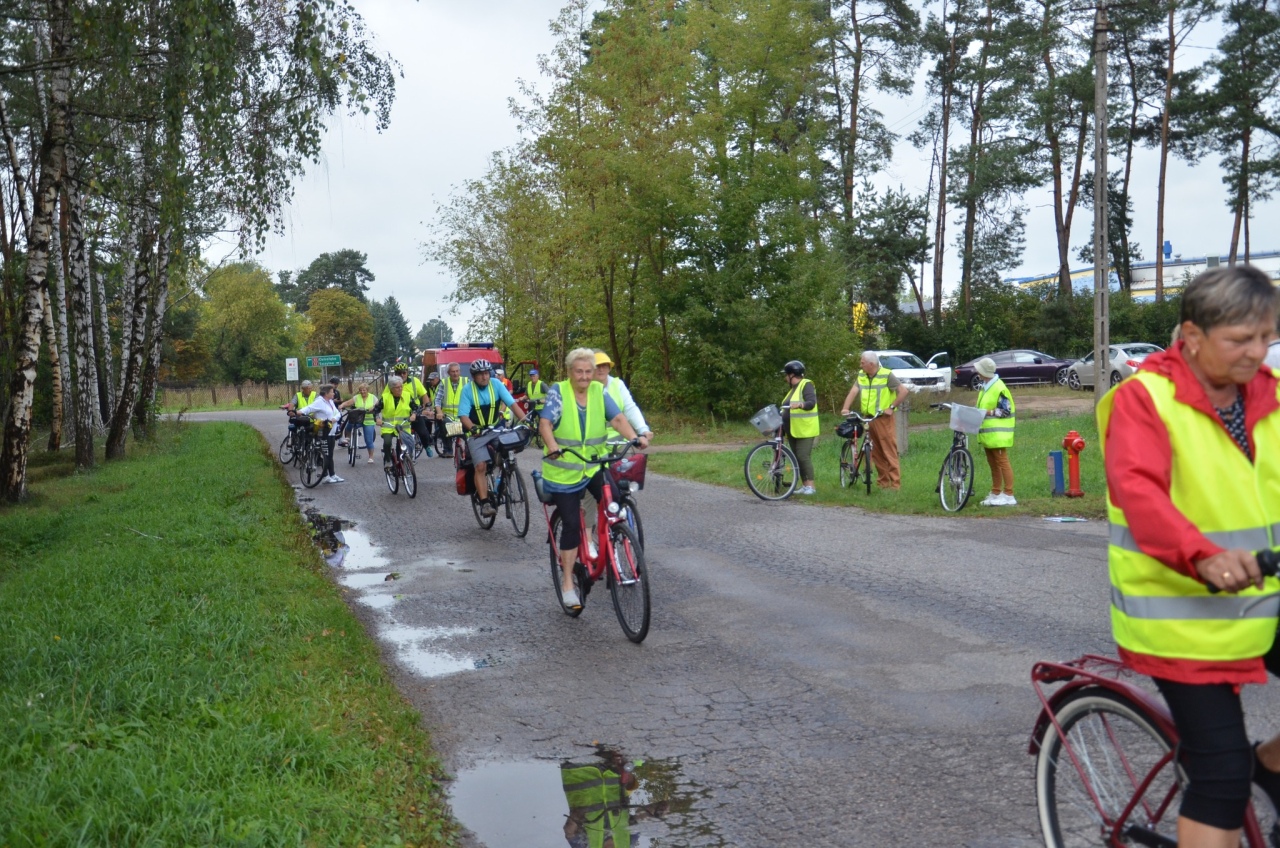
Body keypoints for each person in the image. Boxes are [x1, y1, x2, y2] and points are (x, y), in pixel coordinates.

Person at [1099, 265, 1280, 847]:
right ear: (1192, 335)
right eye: (1240, 340)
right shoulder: (1143, 400)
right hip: (1183, 618)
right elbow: (1139, 491)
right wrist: (1202, 557)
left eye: (1266, 337)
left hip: (1263, 596)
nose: (1257, 353)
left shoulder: (1271, 397)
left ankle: (1271, 766)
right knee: (1221, 777)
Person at [540, 348, 641, 609]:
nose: (585, 377)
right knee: (572, 524)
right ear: (570, 372)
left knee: (615, 500)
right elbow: (545, 424)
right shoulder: (558, 392)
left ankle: (607, 542)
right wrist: (551, 445)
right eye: (579, 371)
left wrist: (634, 437)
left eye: (588, 371)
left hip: (594, 465)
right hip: (564, 472)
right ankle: (567, 584)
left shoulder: (598, 391)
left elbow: (617, 418)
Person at [458, 359, 528, 517]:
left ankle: (504, 474)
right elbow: (463, 415)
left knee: (509, 450)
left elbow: (512, 404)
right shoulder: (467, 390)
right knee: (480, 466)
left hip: (496, 429)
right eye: (480, 375)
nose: (484, 377)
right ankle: (485, 503)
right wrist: (473, 428)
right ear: (473, 376)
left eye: (486, 373)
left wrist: (526, 421)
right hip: (477, 434)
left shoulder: (496, 384)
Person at [840, 352, 909, 490]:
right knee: (875, 452)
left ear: (871, 364)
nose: (860, 365)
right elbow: (853, 392)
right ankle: (883, 482)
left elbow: (903, 391)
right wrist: (845, 408)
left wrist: (891, 407)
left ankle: (895, 485)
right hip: (867, 418)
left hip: (883, 419)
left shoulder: (886, 374)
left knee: (888, 451)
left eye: (862, 363)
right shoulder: (861, 375)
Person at [972, 357, 1016, 506]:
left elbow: (1006, 411)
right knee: (993, 463)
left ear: (984, 372)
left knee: (1002, 462)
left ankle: (1009, 494)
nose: (977, 372)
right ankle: (996, 492)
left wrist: (987, 412)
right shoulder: (986, 386)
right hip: (989, 434)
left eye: (979, 370)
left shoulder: (999, 387)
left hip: (998, 434)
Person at [593, 351, 653, 447]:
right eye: (597, 366)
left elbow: (630, 408)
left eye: (604, 365)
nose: (601, 369)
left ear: (609, 368)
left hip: (620, 442)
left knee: (632, 461)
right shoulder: (584, 387)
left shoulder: (617, 384)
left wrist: (643, 429)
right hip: (594, 443)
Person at [779, 360, 818, 495]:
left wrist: (800, 405)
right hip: (793, 429)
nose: (785, 378)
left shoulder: (806, 384)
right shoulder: (793, 390)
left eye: (786, 375)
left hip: (805, 429)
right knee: (796, 457)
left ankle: (811, 486)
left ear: (792, 375)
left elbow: (811, 402)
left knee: (803, 456)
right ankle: (804, 484)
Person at [297, 384, 344, 483]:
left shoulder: (330, 401)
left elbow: (338, 413)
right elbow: (309, 408)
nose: (334, 393)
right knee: (325, 454)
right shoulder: (319, 402)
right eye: (332, 392)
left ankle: (332, 474)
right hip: (323, 431)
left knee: (330, 454)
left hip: (331, 431)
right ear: (326, 393)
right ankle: (325, 476)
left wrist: (334, 419)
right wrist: (299, 412)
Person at [372, 375, 418, 468]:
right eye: (397, 387)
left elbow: (415, 407)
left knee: (406, 445)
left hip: (403, 427)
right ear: (391, 388)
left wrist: (414, 414)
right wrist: (377, 419)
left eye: (401, 386)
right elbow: (376, 410)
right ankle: (388, 460)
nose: (400, 389)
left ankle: (408, 460)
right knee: (387, 442)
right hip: (389, 427)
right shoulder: (385, 397)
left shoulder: (407, 396)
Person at [433, 362, 468, 458]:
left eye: (457, 371)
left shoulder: (466, 382)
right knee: (444, 425)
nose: (455, 373)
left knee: (470, 433)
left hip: (463, 415)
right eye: (453, 372)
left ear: (460, 372)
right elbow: (438, 399)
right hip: (448, 416)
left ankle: (470, 451)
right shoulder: (444, 383)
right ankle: (448, 450)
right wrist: (439, 412)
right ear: (448, 372)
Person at [339, 383, 379, 464]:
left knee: (368, 440)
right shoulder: (357, 397)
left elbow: (378, 405)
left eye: (364, 390)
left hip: (368, 421)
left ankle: (371, 457)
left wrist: (374, 407)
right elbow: (348, 402)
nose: (362, 392)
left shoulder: (373, 397)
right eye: (360, 390)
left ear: (367, 390)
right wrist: (342, 405)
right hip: (358, 419)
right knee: (349, 424)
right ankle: (348, 438)